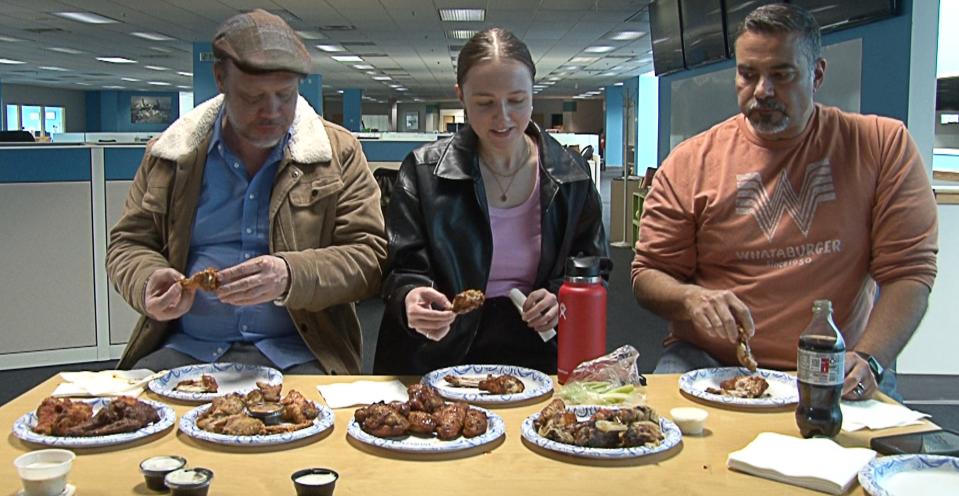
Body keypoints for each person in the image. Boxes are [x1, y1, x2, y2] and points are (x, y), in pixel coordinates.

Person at [631, 3, 937, 400]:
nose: (762, 91)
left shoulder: (880, 146)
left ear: (817, 75)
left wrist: (871, 357)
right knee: (663, 440)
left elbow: (909, 273)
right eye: (748, 74)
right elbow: (647, 275)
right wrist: (691, 298)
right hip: (706, 359)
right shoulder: (691, 162)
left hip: (836, 360)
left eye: (781, 74)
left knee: (873, 459)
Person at [107, 9, 387, 375]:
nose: (271, 111)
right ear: (220, 78)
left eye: (284, 95)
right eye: (253, 97)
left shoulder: (339, 153)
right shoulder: (171, 155)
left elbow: (370, 258)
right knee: (120, 423)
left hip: (301, 352)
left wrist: (289, 275)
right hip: (187, 349)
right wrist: (147, 279)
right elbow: (128, 243)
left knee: (316, 428)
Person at [373, 27, 607, 375]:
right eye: (485, 103)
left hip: (539, 349)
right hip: (441, 350)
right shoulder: (423, 172)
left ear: (533, 94)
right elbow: (401, 269)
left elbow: (593, 263)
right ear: (461, 97)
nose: (503, 118)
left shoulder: (570, 175)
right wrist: (411, 296)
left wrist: (559, 294)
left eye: (516, 100)